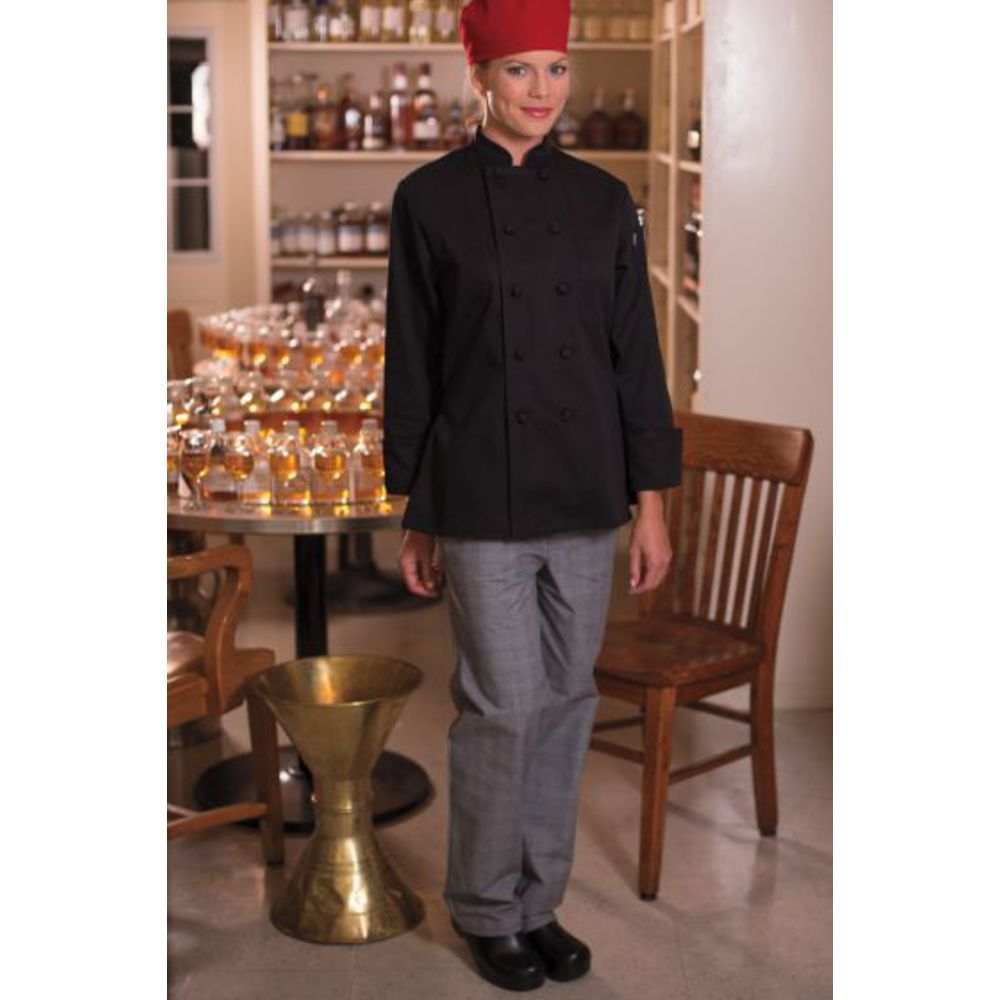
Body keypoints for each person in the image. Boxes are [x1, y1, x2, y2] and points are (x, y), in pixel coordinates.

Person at [383, 0, 683, 990]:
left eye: (556, 68)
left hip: (588, 489)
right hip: (478, 494)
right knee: (502, 704)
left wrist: (651, 501)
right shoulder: (427, 199)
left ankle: (537, 902)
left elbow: (635, 358)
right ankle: (484, 907)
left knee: (566, 702)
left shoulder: (605, 200)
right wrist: (414, 508)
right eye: (519, 70)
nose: (542, 90)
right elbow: (412, 360)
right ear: (479, 77)